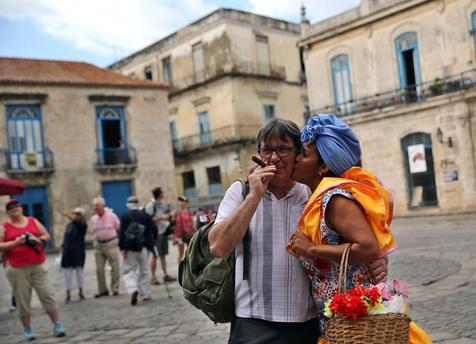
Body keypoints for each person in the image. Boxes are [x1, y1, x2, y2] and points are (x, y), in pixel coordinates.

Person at [208, 118, 387, 344]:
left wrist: (378, 259)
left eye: (283, 149)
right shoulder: (240, 192)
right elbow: (217, 246)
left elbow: (365, 236)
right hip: (253, 321)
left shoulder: (314, 192)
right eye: (267, 150)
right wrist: (254, 196)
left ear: (297, 154)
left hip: (309, 323)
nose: (274, 158)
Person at [289, 114, 431, 344]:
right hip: (341, 324)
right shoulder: (320, 197)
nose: (295, 158)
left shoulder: (335, 199)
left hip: (358, 325)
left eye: (304, 154)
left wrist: (313, 249)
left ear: (323, 166)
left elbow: (367, 247)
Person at [0, 199, 66, 340]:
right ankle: (27, 329)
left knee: (47, 294)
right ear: (8, 212)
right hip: (16, 268)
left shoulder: (32, 221)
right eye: (10, 207)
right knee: (22, 299)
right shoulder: (4, 227)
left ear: (21, 208)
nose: (14, 208)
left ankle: (57, 324)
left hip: (37, 264)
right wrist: (15, 243)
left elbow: (46, 235)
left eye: (16, 206)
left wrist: (36, 239)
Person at [119, 196, 156, 306]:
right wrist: (152, 242)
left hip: (129, 248)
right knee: (144, 270)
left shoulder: (125, 216)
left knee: (129, 270)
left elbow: (121, 233)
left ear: (128, 204)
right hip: (143, 247)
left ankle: (133, 288)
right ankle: (146, 294)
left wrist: (122, 248)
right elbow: (154, 229)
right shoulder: (145, 215)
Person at [90, 196, 121, 298]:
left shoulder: (112, 216)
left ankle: (115, 288)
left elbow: (118, 228)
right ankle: (102, 290)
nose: (95, 208)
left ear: (103, 205)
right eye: (94, 206)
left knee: (115, 267)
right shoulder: (93, 219)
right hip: (98, 245)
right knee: (99, 269)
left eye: (97, 205)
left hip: (111, 243)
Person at [145, 187, 176, 284]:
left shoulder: (161, 205)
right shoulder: (151, 205)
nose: (163, 193)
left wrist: (170, 216)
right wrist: (161, 218)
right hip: (155, 234)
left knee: (163, 255)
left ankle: (166, 274)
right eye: (162, 192)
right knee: (155, 256)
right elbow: (148, 219)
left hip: (163, 232)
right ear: (159, 194)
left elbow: (166, 215)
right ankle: (153, 278)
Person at [61, 207, 87, 303]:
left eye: (77, 214)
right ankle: (68, 293)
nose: (75, 215)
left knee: (79, 272)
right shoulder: (69, 225)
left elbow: (77, 223)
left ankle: (81, 292)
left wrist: (68, 215)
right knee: (67, 273)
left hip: (78, 252)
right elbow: (66, 237)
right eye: (75, 213)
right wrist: (62, 247)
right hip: (68, 252)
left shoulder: (82, 225)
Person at [173, 196, 196, 263]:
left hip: (189, 234)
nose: (181, 202)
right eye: (180, 200)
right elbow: (173, 226)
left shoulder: (189, 212)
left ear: (186, 202)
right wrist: (174, 237)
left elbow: (192, 223)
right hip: (179, 235)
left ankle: (189, 268)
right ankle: (180, 270)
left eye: (183, 201)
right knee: (181, 253)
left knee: (190, 252)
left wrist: (196, 232)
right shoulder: (175, 212)